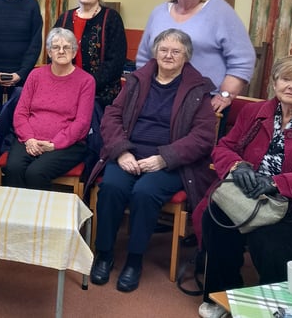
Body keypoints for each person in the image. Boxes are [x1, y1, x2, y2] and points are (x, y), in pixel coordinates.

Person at [197, 55, 292, 318]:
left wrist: (278, 183)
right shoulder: (255, 112)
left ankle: (273, 308)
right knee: (216, 217)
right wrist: (239, 166)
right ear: (274, 83)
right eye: (285, 78)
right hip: (250, 195)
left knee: (268, 238)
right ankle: (224, 293)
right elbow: (224, 147)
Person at [88, 28, 217, 293]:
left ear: (186, 56)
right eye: (163, 50)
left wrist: (164, 158)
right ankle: (104, 253)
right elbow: (112, 116)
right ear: (155, 52)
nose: (168, 55)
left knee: (145, 193)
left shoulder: (198, 89)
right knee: (111, 188)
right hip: (129, 154)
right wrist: (122, 151)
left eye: (176, 51)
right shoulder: (137, 80)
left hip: (170, 162)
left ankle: (134, 260)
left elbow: (203, 136)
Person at [136, 0, 255, 118]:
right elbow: (144, 56)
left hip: (205, 98)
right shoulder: (159, 12)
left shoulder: (219, 10)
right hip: (160, 95)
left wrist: (226, 94)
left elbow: (243, 58)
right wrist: (144, 88)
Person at [3, 28, 95, 190]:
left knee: (36, 172)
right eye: (56, 47)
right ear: (49, 52)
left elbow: (82, 123)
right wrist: (29, 139)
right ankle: (16, 213)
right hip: (29, 139)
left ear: (74, 53)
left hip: (67, 145)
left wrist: (55, 144)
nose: (61, 51)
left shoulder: (86, 81)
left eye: (66, 47)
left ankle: (42, 214)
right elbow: (21, 113)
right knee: (13, 168)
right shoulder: (35, 75)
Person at [53, 0, 126, 108]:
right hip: (66, 88)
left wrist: (88, 84)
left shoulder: (111, 18)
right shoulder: (65, 17)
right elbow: (53, 51)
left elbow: (116, 60)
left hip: (101, 93)